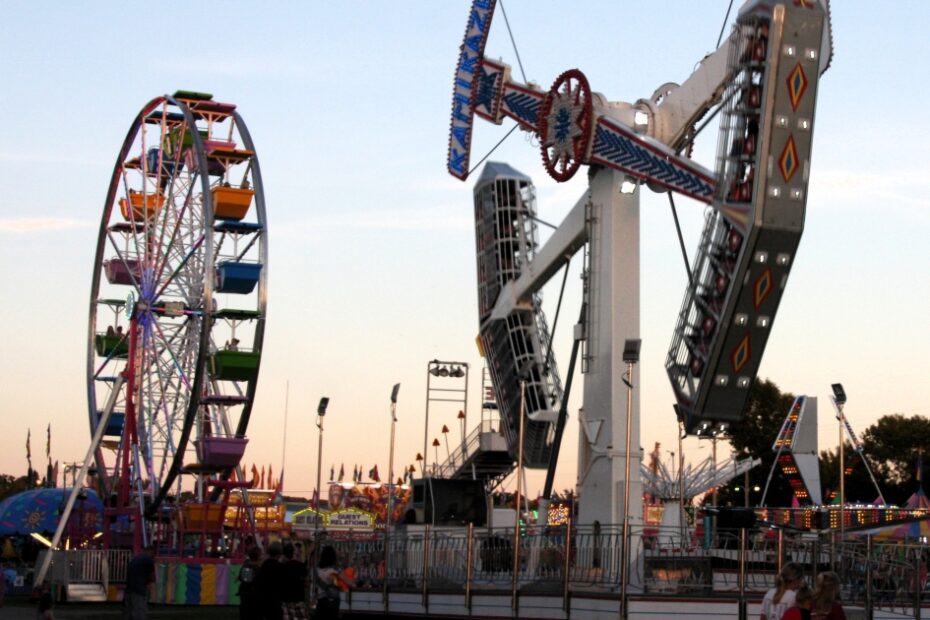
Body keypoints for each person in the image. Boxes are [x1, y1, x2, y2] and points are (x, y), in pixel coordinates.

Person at [315, 546, 354, 620]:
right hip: (333, 602)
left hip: (321, 601)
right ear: (333, 557)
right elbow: (349, 582)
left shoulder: (318, 569)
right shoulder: (336, 570)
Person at [123, 545, 155, 620]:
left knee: (128, 612)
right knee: (139, 612)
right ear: (150, 552)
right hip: (139, 590)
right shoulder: (148, 560)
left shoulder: (134, 559)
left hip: (129, 589)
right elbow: (151, 577)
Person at [255, 541, 285, 620]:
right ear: (280, 553)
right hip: (275, 599)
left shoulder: (264, 565)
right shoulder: (280, 567)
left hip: (264, 598)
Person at [281, 542, 308, 619]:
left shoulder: (282, 567)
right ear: (294, 553)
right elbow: (306, 583)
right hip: (298, 599)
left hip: (285, 600)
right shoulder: (301, 566)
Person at [237, 546, 262, 620]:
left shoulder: (245, 565)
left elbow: (241, 578)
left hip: (244, 595)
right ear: (258, 556)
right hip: (253, 597)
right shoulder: (257, 569)